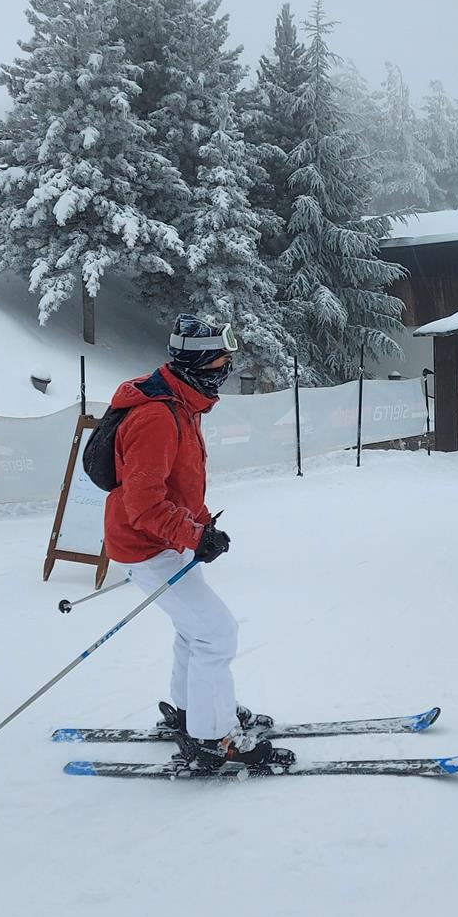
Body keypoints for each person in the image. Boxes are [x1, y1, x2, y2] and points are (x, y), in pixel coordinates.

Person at [104, 314, 289, 770]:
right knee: (217, 633)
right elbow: (142, 505)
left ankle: (193, 711)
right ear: (202, 363)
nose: (227, 367)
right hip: (145, 545)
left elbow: (179, 485)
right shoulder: (157, 417)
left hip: (161, 540)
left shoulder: (180, 403)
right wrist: (193, 534)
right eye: (222, 359)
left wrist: (202, 527)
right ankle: (211, 737)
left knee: (196, 630)